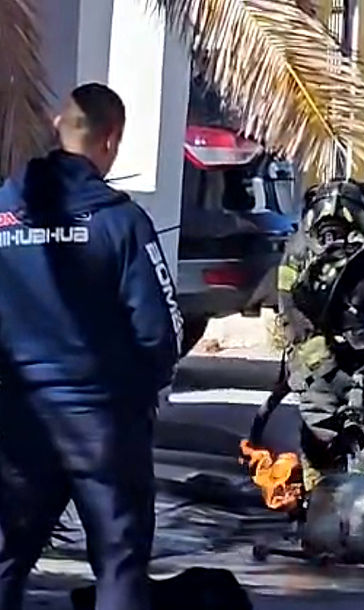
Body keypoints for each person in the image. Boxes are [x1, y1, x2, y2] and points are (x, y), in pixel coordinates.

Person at [0, 84, 182, 609]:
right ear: (111, 140)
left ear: (59, 127)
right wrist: (138, 390)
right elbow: (160, 329)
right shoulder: (119, 221)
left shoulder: (5, 216)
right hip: (104, 423)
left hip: (22, 417)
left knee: (8, 557)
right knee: (119, 561)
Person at [269, 175, 364, 494]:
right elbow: (294, 319)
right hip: (316, 346)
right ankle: (319, 499)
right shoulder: (302, 250)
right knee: (322, 422)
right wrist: (328, 370)